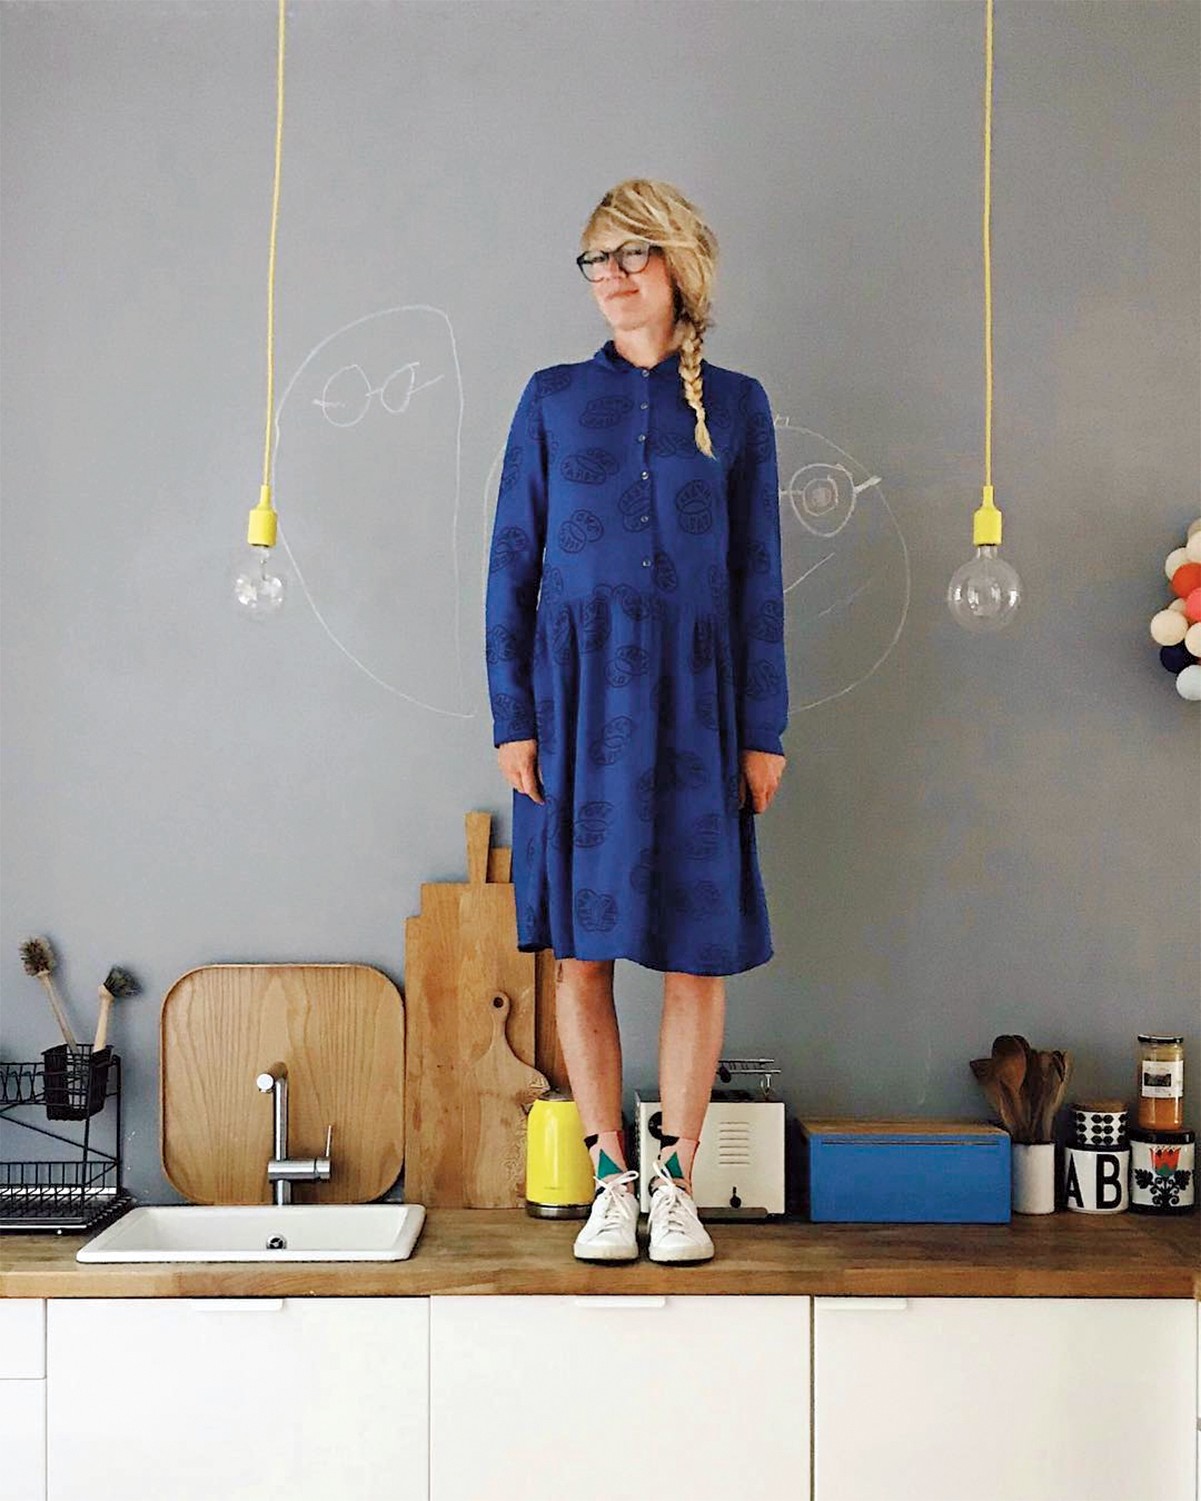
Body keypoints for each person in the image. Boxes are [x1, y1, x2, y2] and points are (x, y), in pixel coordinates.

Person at [484, 179, 788, 1264]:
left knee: (695, 954)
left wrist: (764, 729)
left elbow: (758, 579)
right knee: (583, 953)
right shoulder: (552, 399)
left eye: (632, 255)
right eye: (595, 259)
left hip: (699, 706)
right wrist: (512, 717)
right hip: (575, 705)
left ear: (677, 267)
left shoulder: (739, 406)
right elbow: (510, 566)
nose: (610, 277)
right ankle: (611, 1179)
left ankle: (677, 1185)